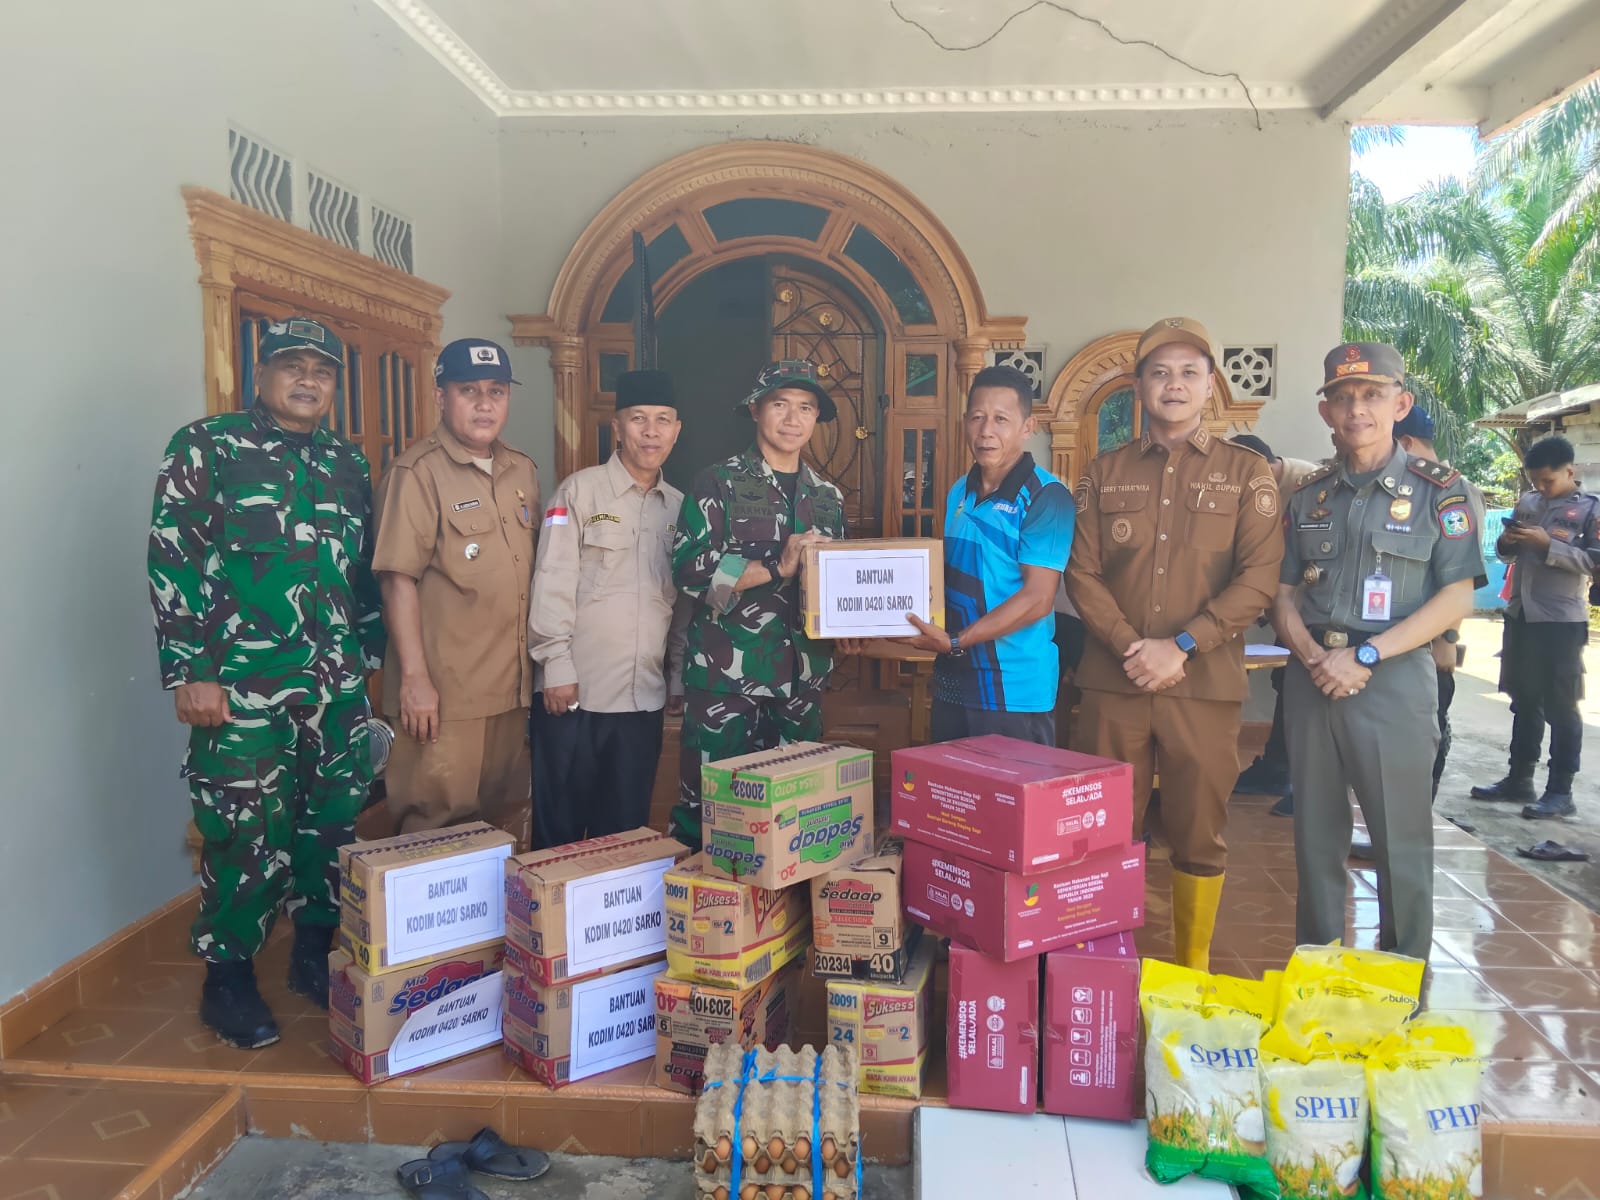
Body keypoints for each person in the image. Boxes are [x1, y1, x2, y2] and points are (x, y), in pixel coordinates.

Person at [148, 317, 384, 1048]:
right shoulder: (207, 447)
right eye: (293, 366)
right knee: (243, 834)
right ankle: (229, 979)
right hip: (240, 692)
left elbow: (361, 572)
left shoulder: (348, 462)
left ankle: (313, 955)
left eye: (323, 369)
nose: (308, 380)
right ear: (262, 374)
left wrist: (367, 663)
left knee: (329, 828)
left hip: (335, 689)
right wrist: (191, 670)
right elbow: (173, 557)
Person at [1067, 318, 1283, 971]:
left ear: (1211, 385)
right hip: (1113, 683)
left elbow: (1259, 580)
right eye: (1160, 372)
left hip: (1205, 684)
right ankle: (1105, 971)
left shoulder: (1247, 475)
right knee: (1101, 834)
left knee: (1199, 832)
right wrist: (1135, 646)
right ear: (1138, 386)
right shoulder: (1104, 473)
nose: (1175, 384)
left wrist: (1182, 644)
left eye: (1190, 372)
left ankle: (1190, 970)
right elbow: (1082, 572)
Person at [1273, 342, 1484, 961]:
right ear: (1325, 410)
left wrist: (1364, 658)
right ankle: (1317, 977)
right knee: (1314, 842)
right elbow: (1282, 595)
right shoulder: (1309, 495)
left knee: (1401, 842)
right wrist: (1313, 655)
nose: (1356, 409)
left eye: (1371, 395)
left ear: (1401, 403)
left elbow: (1455, 600)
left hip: (1391, 681)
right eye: (1343, 397)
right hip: (1313, 679)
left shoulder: (1440, 493)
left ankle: (1401, 989)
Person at [671, 360, 847, 847]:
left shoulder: (828, 497)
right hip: (726, 682)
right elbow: (689, 573)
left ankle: (777, 919)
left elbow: (836, 587)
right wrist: (776, 567)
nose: (793, 419)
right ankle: (702, 914)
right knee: (709, 809)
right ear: (755, 409)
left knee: (794, 812)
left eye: (806, 408)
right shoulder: (717, 483)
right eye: (781, 405)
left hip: (802, 679)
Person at [373, 338, 539, 844]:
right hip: (445, 696)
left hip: (510, 689)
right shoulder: (416, 473)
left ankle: (491, 929)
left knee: (502, 821)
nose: (485, 403)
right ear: (441, 397)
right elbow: (398, 580)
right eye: (468, 390)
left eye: (496, 391)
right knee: (435, 829)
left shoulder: (522, 471)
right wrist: (415, 681)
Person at [528, 369, 686, 845]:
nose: (651, 431)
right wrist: (554, 664)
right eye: (638, 419)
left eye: (663, 420)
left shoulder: (680, 509)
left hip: (642, 698)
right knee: (560, 831)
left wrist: (676, 673)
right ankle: (555, 920)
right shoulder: (578, 492)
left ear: (678, 430)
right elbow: (552, 579)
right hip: (576, 693)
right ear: (617, 427)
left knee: (626, 829)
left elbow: (682, 604)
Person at [895, 365, 1073, 744]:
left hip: (1013, 687)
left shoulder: (1046, 496)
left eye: (1001, 419)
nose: (986, 430)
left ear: (1028, 426)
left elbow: (1038, 599)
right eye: (977, 417)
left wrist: (957, 641)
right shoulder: (960, 491)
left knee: (1008, 801)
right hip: (954, 678)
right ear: (964, 423)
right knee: (952, 799)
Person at [1471, 434, 1599, 820]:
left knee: (1562, 705)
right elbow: (1505, 553)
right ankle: (1519, 778)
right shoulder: (1528, 503)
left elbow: (1594, 563)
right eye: (1535, 482)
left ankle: (1560, 790)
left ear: (1569, 472)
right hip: (1520, 614)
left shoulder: (1590, 510)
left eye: (1548, 481)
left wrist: (1550, 546)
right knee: (1523, 698)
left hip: (1561, 619)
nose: (1541, 489)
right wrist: (1508, 541)